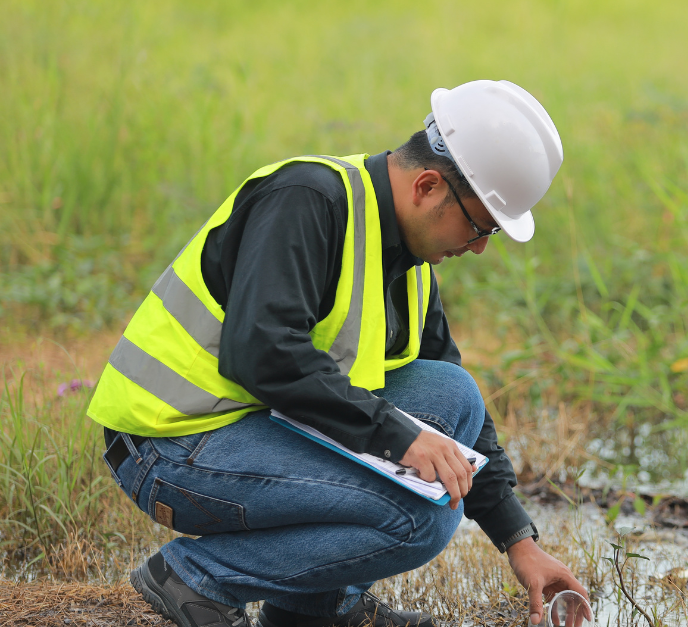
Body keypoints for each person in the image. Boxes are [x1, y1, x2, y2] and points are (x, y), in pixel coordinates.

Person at [87, 80, 586, 627]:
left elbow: (458, 415)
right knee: (420, 518)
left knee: (454, 396)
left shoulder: (411, 259)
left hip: (256, 427)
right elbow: (263, 354)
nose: (481, 246)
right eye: (478, 225)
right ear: (426, 186)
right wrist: (401, 436)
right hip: (170, 447)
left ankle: (316, 609)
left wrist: (519, 540)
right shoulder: (307, 200)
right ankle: (194, 577)